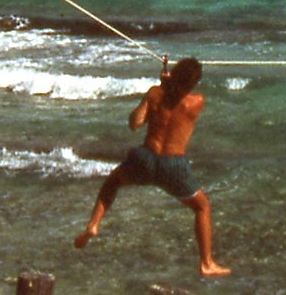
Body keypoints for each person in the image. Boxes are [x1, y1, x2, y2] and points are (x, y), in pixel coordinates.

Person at [74, 56, 230, 276]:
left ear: (173, 75)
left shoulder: (154, 94)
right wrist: (167, 84)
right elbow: (179, 96)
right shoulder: (196, 102)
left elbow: (134, 124)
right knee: (202, 207)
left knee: (113, 182)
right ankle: (206, 262)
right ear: (193, 84)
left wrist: (158, 87)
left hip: (145, 159)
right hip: (173, 166)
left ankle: (93, 224)